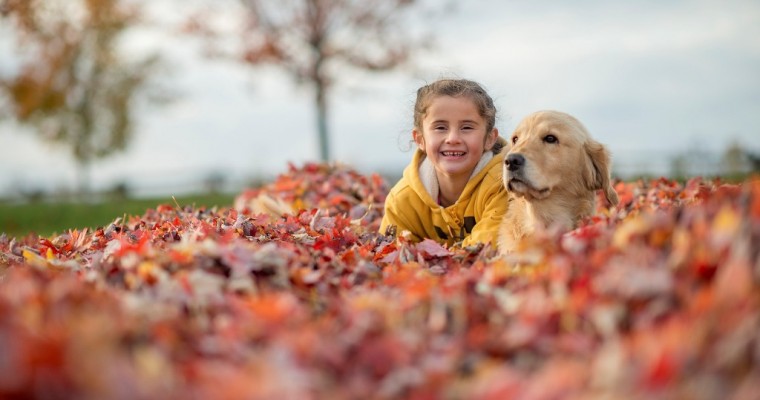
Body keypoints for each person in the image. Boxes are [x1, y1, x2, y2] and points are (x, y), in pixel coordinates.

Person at [380, 78, 508, 247]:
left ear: (490, 138)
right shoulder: (402, 201)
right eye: (440, 127)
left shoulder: (504, 185)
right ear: (420, 139)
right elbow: (392, 256)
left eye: (467, 127)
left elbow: (486, 249)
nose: (453, 138)